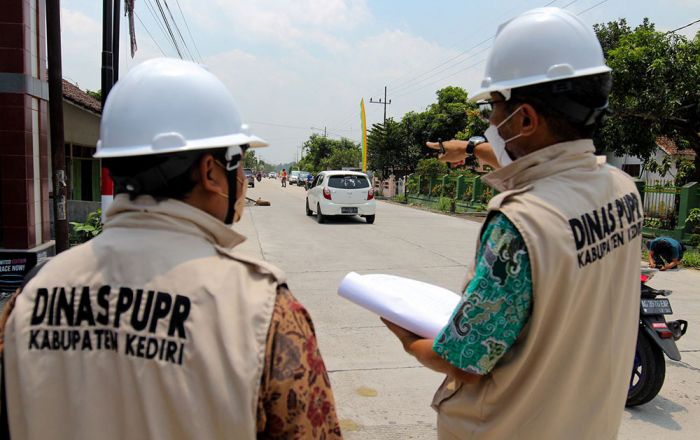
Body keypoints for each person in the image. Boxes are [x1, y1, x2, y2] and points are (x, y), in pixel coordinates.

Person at [0, 58, 341, 440]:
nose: (243, 180)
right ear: (211, 171)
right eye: (239, 163)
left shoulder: (26, 299)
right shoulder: (263, 312)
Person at [383, 8, 642, 439]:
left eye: (493, 109)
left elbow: (463, 362)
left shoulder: (521, 224)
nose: (489, 125)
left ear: (524, 118)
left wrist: (408, 338)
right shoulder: (621, 190)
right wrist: (468, 149)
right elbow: (546, 163)